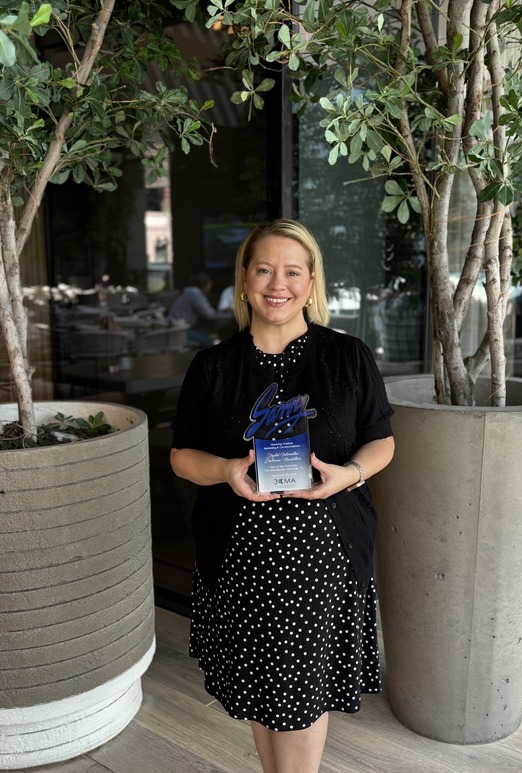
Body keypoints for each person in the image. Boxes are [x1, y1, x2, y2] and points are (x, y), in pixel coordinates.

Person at [170, 219, 395, 773]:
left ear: (312, 281)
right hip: (239, 561)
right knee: (265, 696)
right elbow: (182, 457)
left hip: (325, 559)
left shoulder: (347, 357)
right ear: (245, 280)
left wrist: (350, 474)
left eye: (293, 271)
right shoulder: (213, 366)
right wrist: (226, 470)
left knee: (299, 700)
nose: (279, 283)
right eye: (265, 269)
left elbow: (382, 440)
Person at [167, 272, 233, 348]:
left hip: (179, 329)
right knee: (207, 341)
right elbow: (209, 314)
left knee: (207, 335)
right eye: (209, 286)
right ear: (205, 285)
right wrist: (231, 315)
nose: (209, 290)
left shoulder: (190, 292)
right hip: (179, 332)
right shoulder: (194, 293)